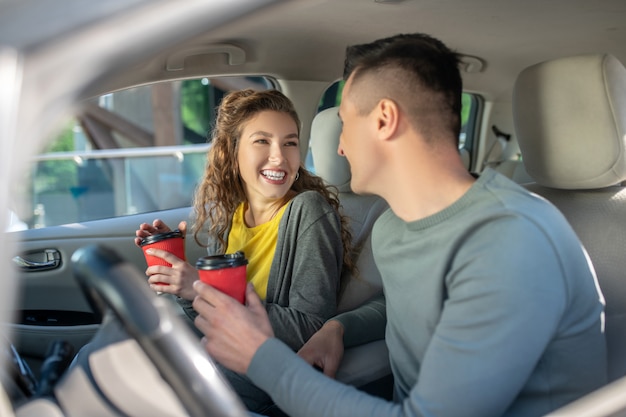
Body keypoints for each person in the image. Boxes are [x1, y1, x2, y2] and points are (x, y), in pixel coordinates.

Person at [191, 33, 608, 417]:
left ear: (384, 120)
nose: (338, 145)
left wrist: (260, 355)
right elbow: (402, 305)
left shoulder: (511, 241)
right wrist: (338, 327)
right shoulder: (393, 227)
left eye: (347, 122)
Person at [134, 89, 353, 413]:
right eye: (262, 141)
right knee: (114, 354)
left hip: (261, 374)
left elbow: (310, 329)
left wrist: (199, 287)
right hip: (221, 355)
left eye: (290, 142)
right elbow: (212, 314)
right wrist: (182, 279)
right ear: (233, 152)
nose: (279, 156)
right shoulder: (232, 215)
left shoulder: (308, 211)